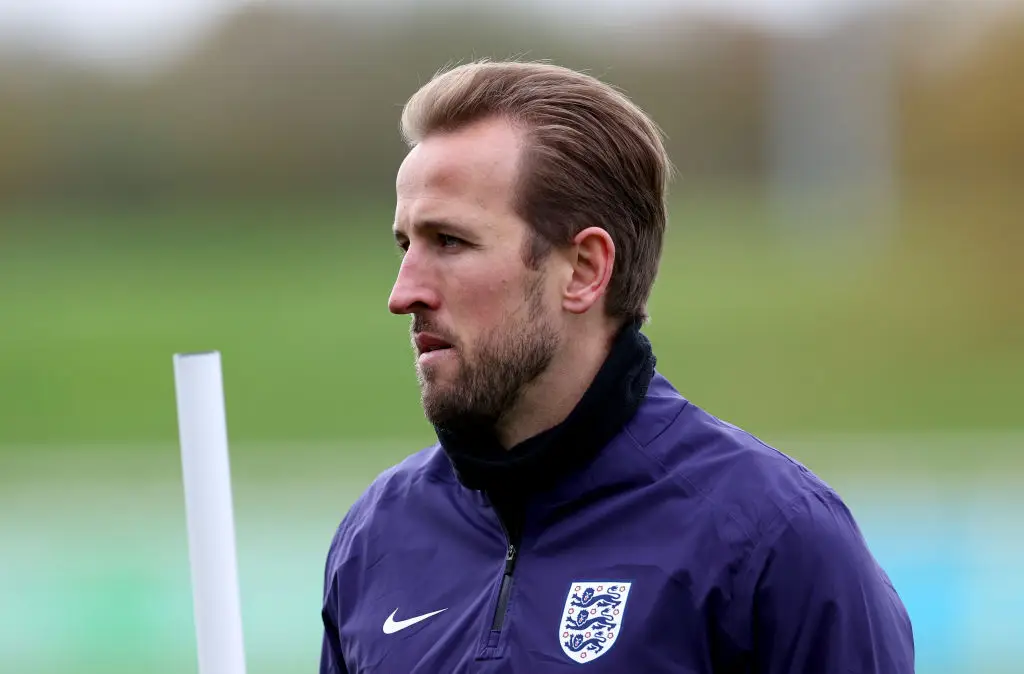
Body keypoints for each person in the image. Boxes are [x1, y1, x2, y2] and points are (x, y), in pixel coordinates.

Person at [319, 60, 914, 673]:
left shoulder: (773, 540)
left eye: (449, 242)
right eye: (405, 244)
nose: (403, 291)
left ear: (583, 270)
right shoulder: (376, 539)